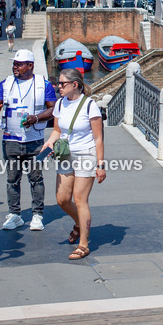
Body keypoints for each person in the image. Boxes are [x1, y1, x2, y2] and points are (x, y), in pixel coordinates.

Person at [41, 68, 105, 260]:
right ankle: (79, 223)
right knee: (62, 199)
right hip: (65, 154)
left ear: (75, 85)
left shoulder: (89, 105)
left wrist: (100, 166)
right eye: (58, 84)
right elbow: (57, 130)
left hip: (86, 155)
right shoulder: (60, 104)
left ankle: (83, 244)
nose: (58, 87)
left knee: (79, 199)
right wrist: (50, 141)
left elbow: (98, 138)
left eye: (62, 84)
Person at [0, 49, 57, 231]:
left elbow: (53, 109)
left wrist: (36, 118)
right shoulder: (6, 83)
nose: (15, 67)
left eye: (19, 64)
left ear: (30, 65)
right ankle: (14, 214)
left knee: (36, 178)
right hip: (10, 140)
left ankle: (37, 215)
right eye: (14, 64)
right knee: (12, 179)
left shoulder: (44, 84)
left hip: (36, 141)